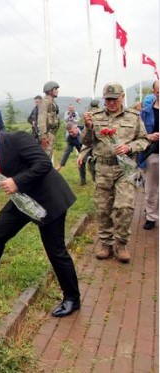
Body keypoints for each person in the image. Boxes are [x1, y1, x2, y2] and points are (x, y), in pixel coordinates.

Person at [0, 115, 80, 317]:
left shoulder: (17, 139)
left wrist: (17, 181)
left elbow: (43, 163)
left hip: (47, 200)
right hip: (22, 201)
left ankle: (72, 298)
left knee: (55, 250)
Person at [81, 82, 149, 263]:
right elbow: (87, 142)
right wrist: (87, 127)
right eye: (108, 99)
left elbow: (144, 140)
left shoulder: (134, 117)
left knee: (124, 207)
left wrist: (129, 147)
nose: (110, 103)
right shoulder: (94, 116)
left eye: (114, 99)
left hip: (125, 169)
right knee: (103, 208)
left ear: (122, 98)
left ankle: (121, 243)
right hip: (102, 168)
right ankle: (105, 243)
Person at [140, 80, 159, 230]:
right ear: (154, 92)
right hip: (153, 154)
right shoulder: (145, 112)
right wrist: (149, 136)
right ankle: (151, 217)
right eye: (158, 91)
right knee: (151, 188)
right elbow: (139, 133)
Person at [56, 121, 88, 185]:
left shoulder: (85, 128)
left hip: (92, 150)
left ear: (76, 127)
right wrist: (60, 165)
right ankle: (83, 181)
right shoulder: (70, 138)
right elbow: (67, 152)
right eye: (69, 132)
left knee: (93, 165)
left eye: (72, 131)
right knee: (80, 163)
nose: (71, 134)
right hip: (82, 153)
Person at [38, 81, 61, 160]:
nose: (57, 91)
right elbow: (42, 118)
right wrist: (44, 136)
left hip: (52, 133)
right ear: (49, 90)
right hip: (47, 134)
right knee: (45, 158)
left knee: (48, 157)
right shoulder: (45, 102)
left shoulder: (52, 102)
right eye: (55, 89)